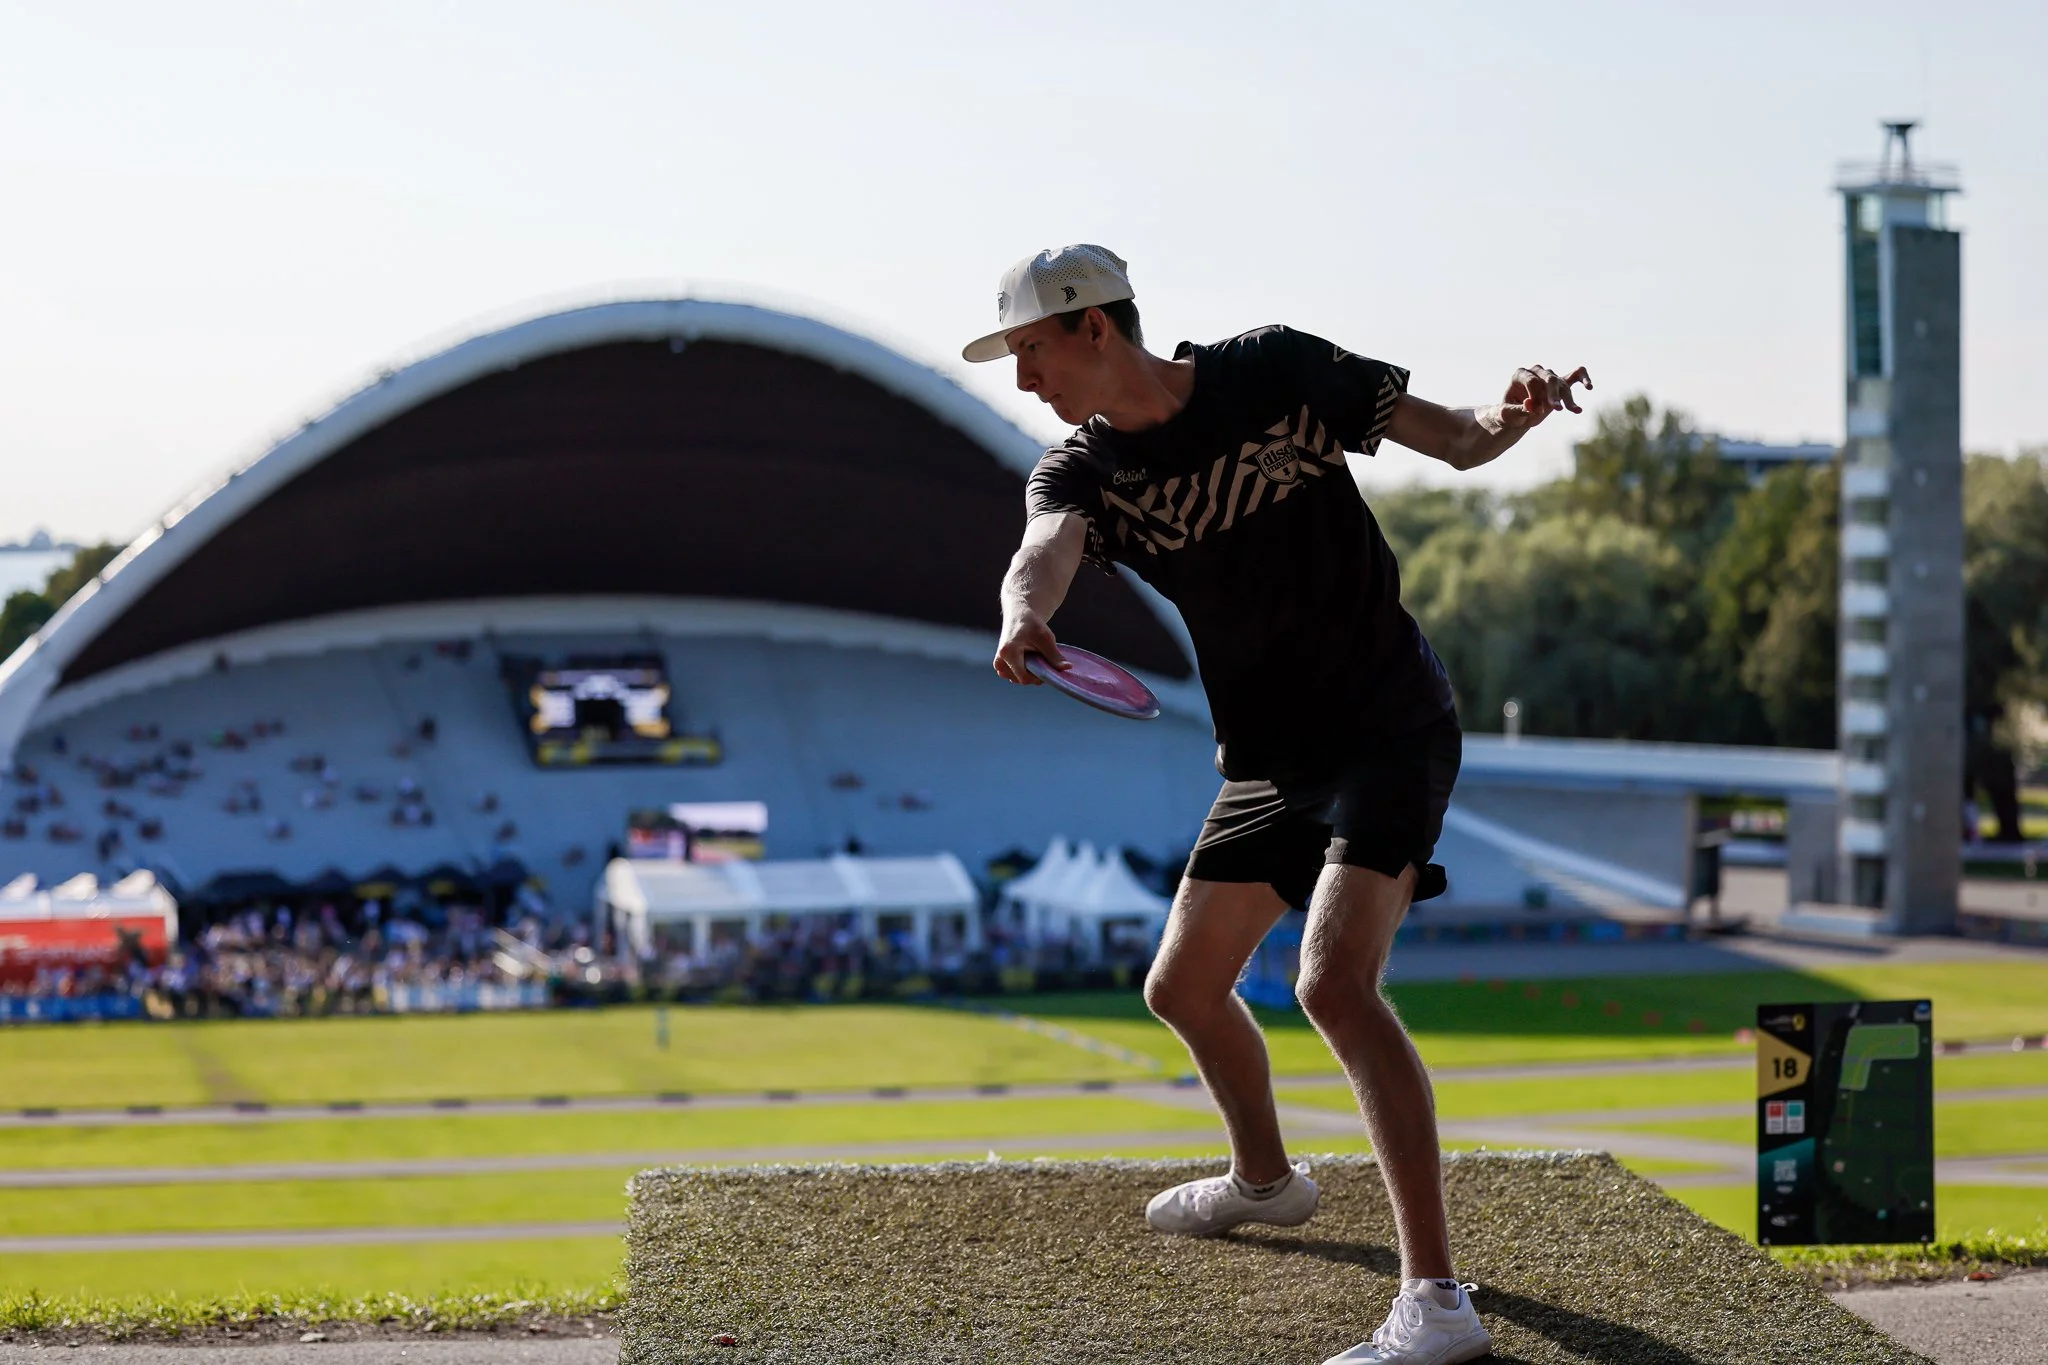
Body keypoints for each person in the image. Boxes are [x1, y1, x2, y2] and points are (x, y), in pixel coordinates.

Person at [973, 245, 1589, 1365]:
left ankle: (1436, 1304)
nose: (1023, 378)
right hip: (1267, 762)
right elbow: (1041, 551)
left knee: (1332, 984)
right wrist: (1025, 615)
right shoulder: (1080, 469)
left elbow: (1456, 439)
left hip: (1388, 724)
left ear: (1094, 326)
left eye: (1030, 350)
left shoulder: (1276, 369)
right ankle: (1263, 1181)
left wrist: (1512, 415)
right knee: (1180, 987)